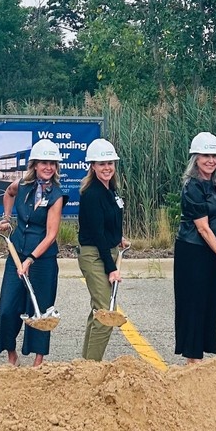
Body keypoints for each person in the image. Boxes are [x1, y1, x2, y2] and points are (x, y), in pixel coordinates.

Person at [0, 139, 68, 367]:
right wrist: (6, 219)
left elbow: (51, 235)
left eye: (52, 164)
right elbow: (8, 193)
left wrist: (30, 260)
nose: (48, 167)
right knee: (7, 309)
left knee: (40, 312)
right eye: (44, 163)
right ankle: (11, 356)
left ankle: (38, 362)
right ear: (34, 164)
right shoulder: (23, 185)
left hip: (41, 261)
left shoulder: (57, 195)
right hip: (16, 254)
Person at [174, 132, 216, 364]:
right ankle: (192, 359)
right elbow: (202, 228)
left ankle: (199, 353)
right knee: (194, 302)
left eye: (214, 156)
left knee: (208, 302)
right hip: (193, 251)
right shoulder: (192, 188)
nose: (211, 160)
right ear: (195, 159)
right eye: (205, 156)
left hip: (211, 250)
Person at [77, 138, 127, 361]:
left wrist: (118, 238)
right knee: (106, 313)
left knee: (98, 311)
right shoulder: (92, 194)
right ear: (93, 166)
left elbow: (109, 223)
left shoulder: (111, 190)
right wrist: (111, 268)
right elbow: (97, 234)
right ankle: (91, 367)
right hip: (94, 256)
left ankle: (86, 363)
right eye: (101, 164)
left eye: (110, 163)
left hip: (108, 251)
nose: (107, 168)